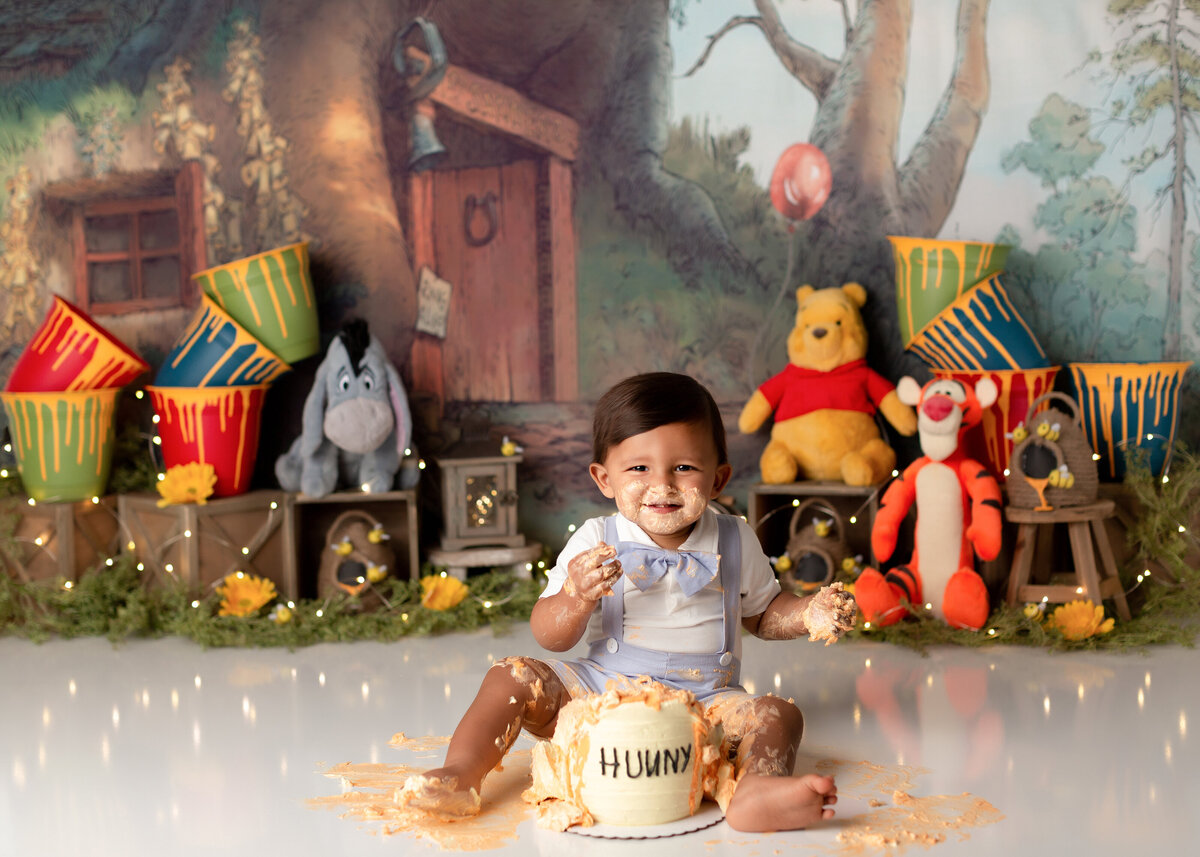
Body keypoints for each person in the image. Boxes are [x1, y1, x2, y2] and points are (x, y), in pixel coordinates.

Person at [399, 372, 853, 831]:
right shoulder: (598, 538)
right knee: (512, 676)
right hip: (602, 691)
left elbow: (762, 614)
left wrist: (806, 613)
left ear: (718, 479)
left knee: (779, 714)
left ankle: (756, 791)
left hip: (708, 702)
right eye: (638, 468)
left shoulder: (734, 538)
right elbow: (549, 636)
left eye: (684, 468)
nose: (662, 484)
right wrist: (576, 596)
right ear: (604, 479)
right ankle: (461, 773)